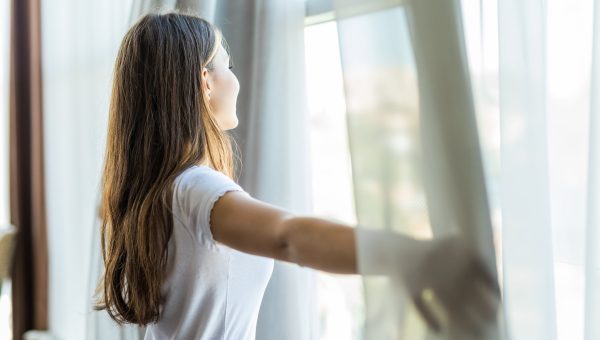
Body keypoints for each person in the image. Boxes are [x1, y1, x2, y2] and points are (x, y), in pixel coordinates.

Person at [94, 11, 500, 340]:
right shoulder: (196, 189)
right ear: (205, 82)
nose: (234, 78)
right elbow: (288, 236)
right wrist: (412, 255)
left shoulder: (158, 193)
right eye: (227, 65)